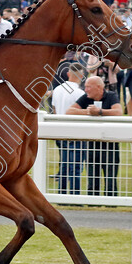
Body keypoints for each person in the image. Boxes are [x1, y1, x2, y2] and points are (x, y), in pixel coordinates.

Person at [66, 76, 123, 196]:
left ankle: (111, 202)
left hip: (110, 143)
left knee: (110, 176)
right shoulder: (86, 98)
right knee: (92, 176)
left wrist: (100, 112)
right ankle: (92, 202)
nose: (85, 90)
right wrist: (88, 112)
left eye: (88, 87)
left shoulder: (111, 96)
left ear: (99, 87)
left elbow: (118, 112)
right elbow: (69, 111)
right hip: (92, 143)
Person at [51, 66, 86, 195]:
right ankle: (75, 194)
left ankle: (62, 192)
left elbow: (54, 110)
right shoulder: (80, 93)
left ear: (68, 74)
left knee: (64, 165)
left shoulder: (57, 89)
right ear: (81, 76)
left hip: (61, 130)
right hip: (76, 132)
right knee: (75, 167)